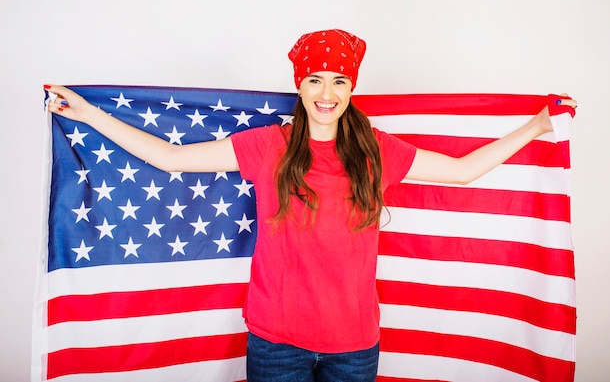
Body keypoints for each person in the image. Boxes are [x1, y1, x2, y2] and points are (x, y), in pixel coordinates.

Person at [45, 28, 577, 382]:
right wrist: (89, 113)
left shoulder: (376, 150)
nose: (327, 91)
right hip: (277, 344)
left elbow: (462, 171)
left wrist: (536, 126)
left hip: (354, 345)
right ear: (299, 84)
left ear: (351, 86)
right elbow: (169, 158)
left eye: (339, 80)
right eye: (315, 79)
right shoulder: (267, 145)